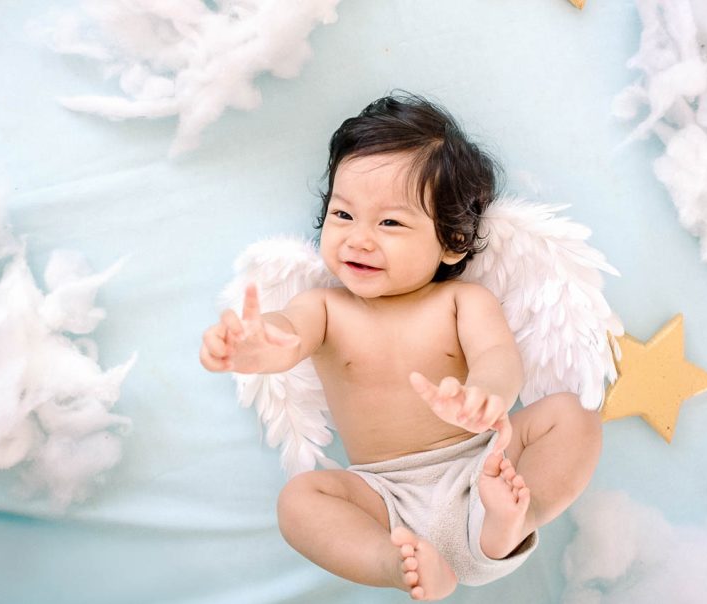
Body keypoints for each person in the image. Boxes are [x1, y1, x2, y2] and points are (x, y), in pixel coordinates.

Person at [200, 94, 602, 601]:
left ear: (453, 240)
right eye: (343, 214)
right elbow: (288, 334)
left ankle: (516, 517)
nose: (358, 239)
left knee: (571, 414)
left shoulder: (462, 300)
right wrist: (254, 346)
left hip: (484, 471)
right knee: (300, 500)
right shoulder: (325, 308)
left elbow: (499, 358)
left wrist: (485, 394)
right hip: (382, 496)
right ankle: (395, 561)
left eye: (389, 223)